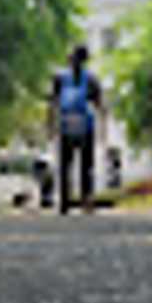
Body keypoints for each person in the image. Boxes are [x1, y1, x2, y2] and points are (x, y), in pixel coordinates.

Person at [48, 45, 105, 215]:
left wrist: (50, 126)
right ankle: (74, 201)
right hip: (75, 125)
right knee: (75, 166)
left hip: (77, 125)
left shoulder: (86, 79)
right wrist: (51, 125)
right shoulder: (68, 78)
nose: (75, 63)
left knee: (76, 166)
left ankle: (75, 201)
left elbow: (53, 104)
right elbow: (100, 105)